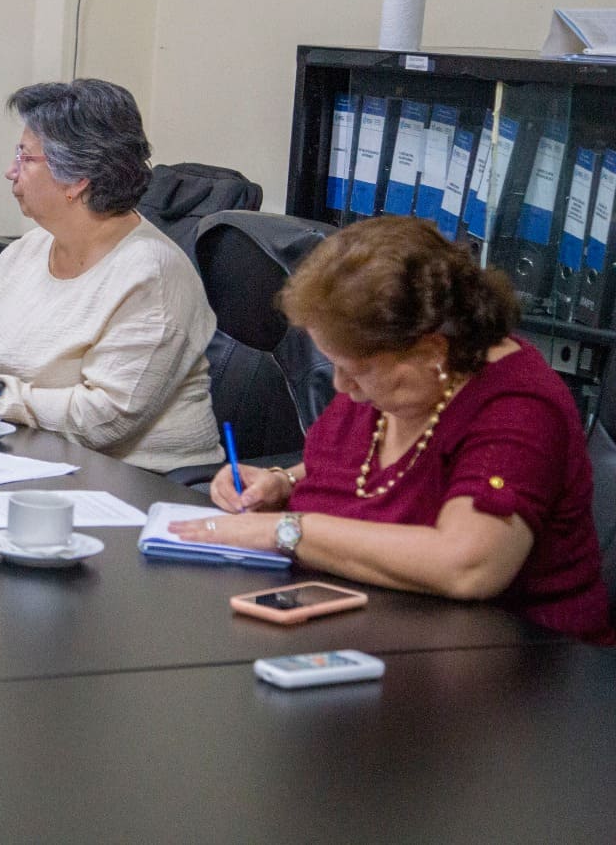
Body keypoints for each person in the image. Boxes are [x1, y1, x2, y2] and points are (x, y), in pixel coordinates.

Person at [173, 215, 613, 643]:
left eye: (356, 370)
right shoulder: (395, 382)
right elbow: (371, 468)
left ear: (432, 350)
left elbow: (468, 565)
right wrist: (282, 483)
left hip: (511, 660)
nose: (341, 386)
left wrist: (286, 531)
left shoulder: (518, 407)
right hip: (367, 626)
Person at [0, 78, 224, 473]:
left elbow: (105, 419)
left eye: (25, 157)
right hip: (31, 456)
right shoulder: (25, 252)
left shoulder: (152, 276)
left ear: (76, 179)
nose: (10, 171)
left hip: (138, 480)